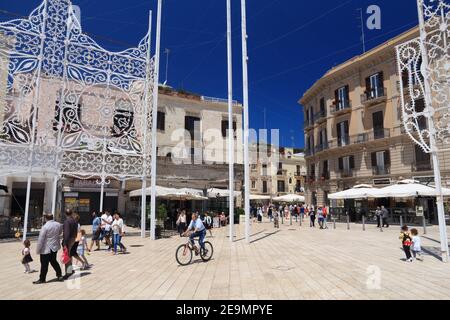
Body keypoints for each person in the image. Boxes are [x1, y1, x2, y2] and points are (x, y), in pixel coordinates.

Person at [33, 214, 63, 284]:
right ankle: (59, 275)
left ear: (46, 218)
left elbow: (41, 239)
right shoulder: (59, 224)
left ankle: (42, 279)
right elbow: (60, 233)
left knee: (44, 264)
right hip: (54, 247)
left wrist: (38, 250)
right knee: (54, 261)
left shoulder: (45, 227)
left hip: (46, 248)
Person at [62, 209, 78, 280]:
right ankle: (70, 270)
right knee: (69, 255)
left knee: (67, 256)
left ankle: (68, 272)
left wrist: (65, 243)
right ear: (71, 213)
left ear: (65, 214)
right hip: (73, 239)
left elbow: (66, 233)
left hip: (68, 240)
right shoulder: (74, 221)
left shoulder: (67, 221)